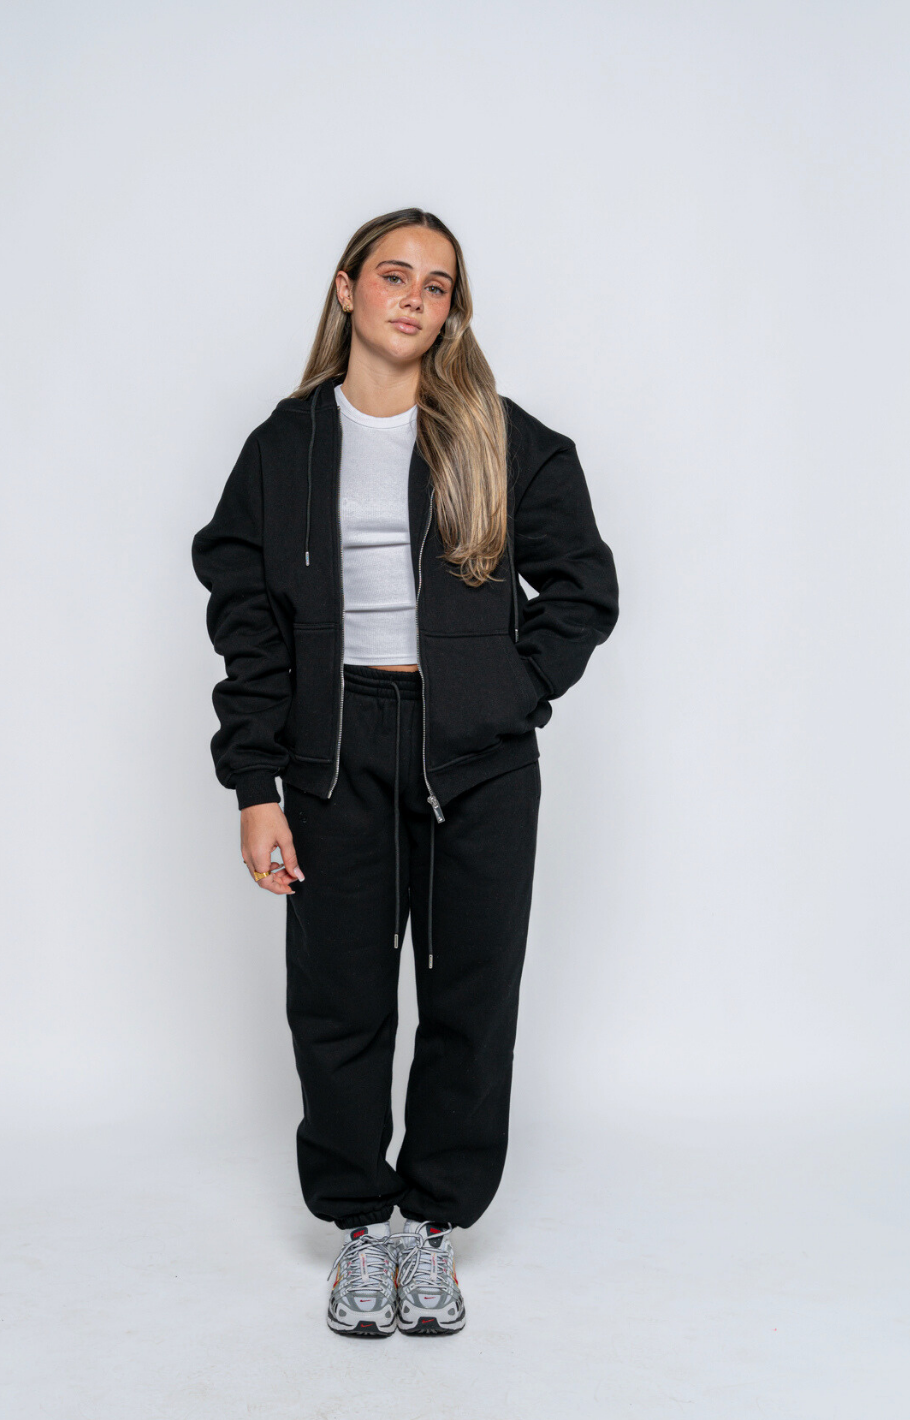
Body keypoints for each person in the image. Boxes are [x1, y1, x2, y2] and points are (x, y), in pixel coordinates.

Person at [191, 208, 618, 1337]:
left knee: (471, 994)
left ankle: (429, 1227)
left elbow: (582, 588)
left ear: (449, 310)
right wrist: (256, 787)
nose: (414, 300)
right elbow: (248, 626)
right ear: (346, 290)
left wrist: (504, 695)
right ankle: (358, 1226)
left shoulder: (501, 438)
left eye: (437, 286)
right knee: (337, 999)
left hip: (479, 760)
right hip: (332, 753)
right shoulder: (285, 447)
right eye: (394, 276)